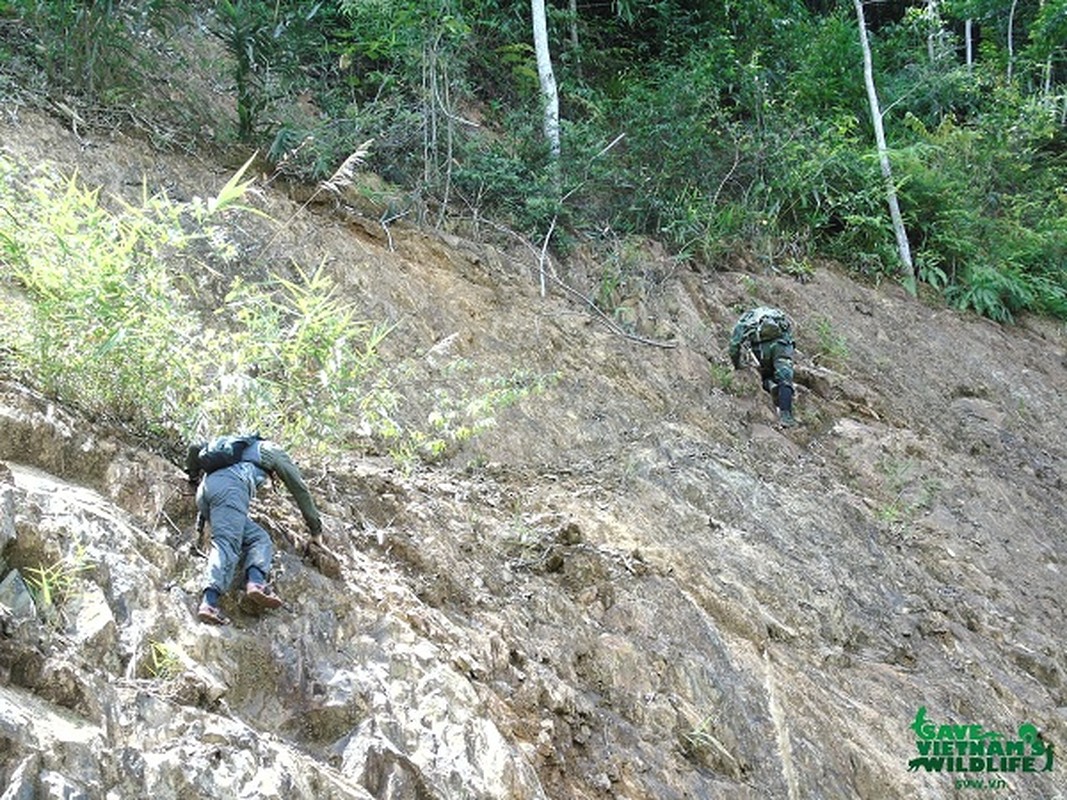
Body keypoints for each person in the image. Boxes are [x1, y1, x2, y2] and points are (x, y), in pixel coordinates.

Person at [185, 435, 322, 625]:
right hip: (230, 491)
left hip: (205, 492)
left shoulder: (231, 446)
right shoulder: (271, 450)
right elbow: (299, 489)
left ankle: (256, 582)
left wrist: (193, 476)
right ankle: (209, 603)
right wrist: (315, 529)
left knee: (259, 539)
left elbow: (194, 448)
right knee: (226, 543)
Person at [728, 306, 797, 427]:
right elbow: (789, 335)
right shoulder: (778, 315)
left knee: (764, 374)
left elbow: (734, 347)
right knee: (784, 376)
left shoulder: (746, 320)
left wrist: (737, 365)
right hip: (781, 345)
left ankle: (770, 385)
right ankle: (786, 416)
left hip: (760, 350)